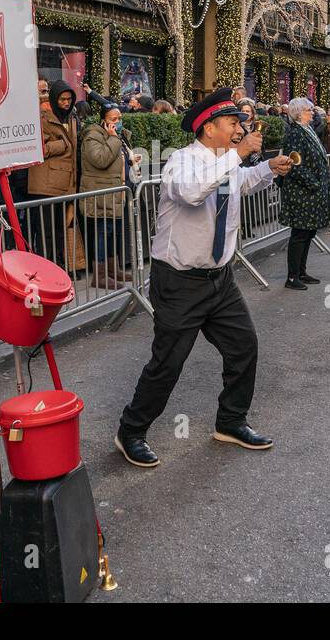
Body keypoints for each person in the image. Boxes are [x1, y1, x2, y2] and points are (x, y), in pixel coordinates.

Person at [115, 88, 294, 468]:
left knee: (244, 347)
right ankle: (130, 431)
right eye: (232, 123)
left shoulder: (225, 162)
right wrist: (238, 155)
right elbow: (194, 193)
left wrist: (266, 169)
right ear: (209, 127)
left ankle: (230, 422)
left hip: (220, 279)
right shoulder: (182, 161)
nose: (238, 128)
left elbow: (238, 184)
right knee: (167, 364)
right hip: (180, 282)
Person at [278, 97, 330, 289]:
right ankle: (292, 277)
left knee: (309, 232)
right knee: (300, 234)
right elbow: (295, 165)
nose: (313, 112)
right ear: (299, 112)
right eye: (309, 109)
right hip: (301, 193)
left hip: (312, 192)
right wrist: (314, 183)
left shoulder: (307, 130)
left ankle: (301, 271)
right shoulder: (295, 133)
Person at [78, 103, 133, 290]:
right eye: (113, 119)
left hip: (115, 192)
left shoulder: (115, 137)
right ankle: (100, 275)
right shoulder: (93, 136)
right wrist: (113, 139)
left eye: (119, 119)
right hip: (100, 194)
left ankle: (112, 270)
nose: (117, 123)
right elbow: (100, 159)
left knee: (113, 233)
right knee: (102, 234)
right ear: (104, 120)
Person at [27, 79, 78, 267]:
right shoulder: (43, 118)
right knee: (46, 230)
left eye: (69, 99)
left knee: (59, 229)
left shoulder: (70, 118)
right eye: (62, 99)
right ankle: (47, 266)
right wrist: (63, 145)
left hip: (64, 182)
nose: (66, 103)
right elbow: (38, 148)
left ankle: (58, 265)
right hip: (46, 183)